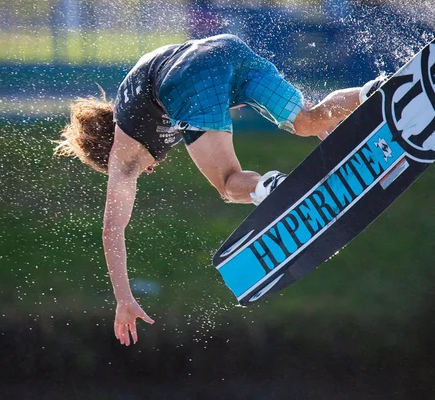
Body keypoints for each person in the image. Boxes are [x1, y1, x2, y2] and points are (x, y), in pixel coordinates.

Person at [54, 34, 382, 346]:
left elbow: (113, 228)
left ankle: (272, 187)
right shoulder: (134, 101)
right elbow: (202, 75)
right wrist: (336, 139)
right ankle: (374, 92)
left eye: (145, 168)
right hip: (227, 49)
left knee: (227, 183)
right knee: (309, 121)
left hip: (188, 79)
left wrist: (124, 298)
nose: (150, 168)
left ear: (107, 150)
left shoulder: (122, 154)